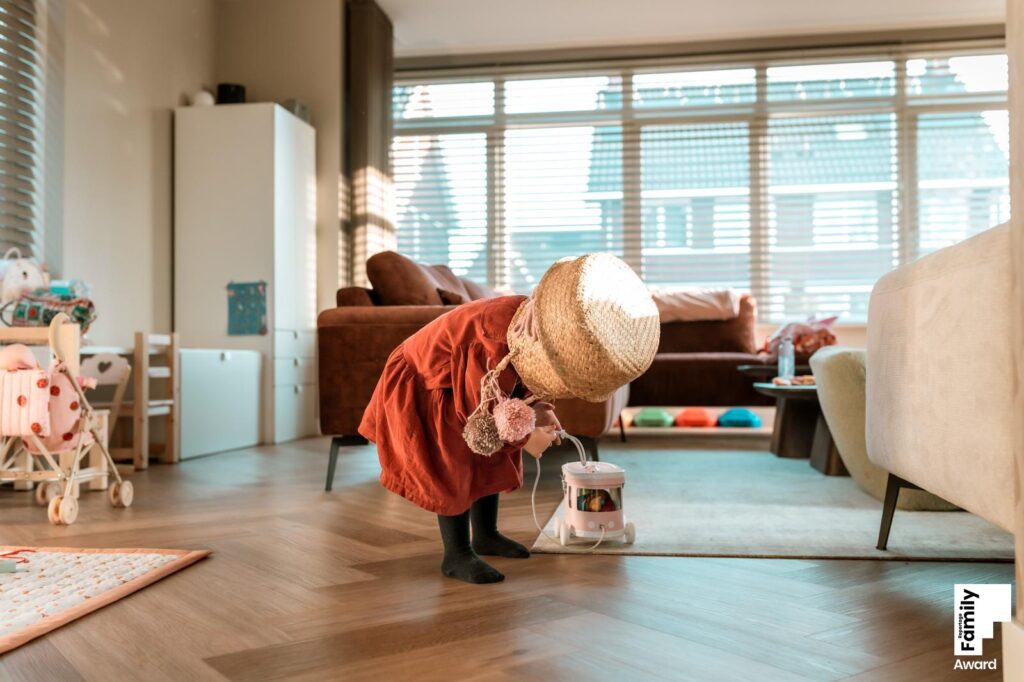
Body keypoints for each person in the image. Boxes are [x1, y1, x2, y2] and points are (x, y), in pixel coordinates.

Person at [359, 254, 659, 584]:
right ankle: (456, 553)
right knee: (455, 462)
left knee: (490, 461)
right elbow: (478, 417)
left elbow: (528, 373)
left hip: (471, 383)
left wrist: (539, 408)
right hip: (430, 385)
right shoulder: (491, 340)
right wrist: (527, 436)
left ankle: (485, 534)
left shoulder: (527, 324)